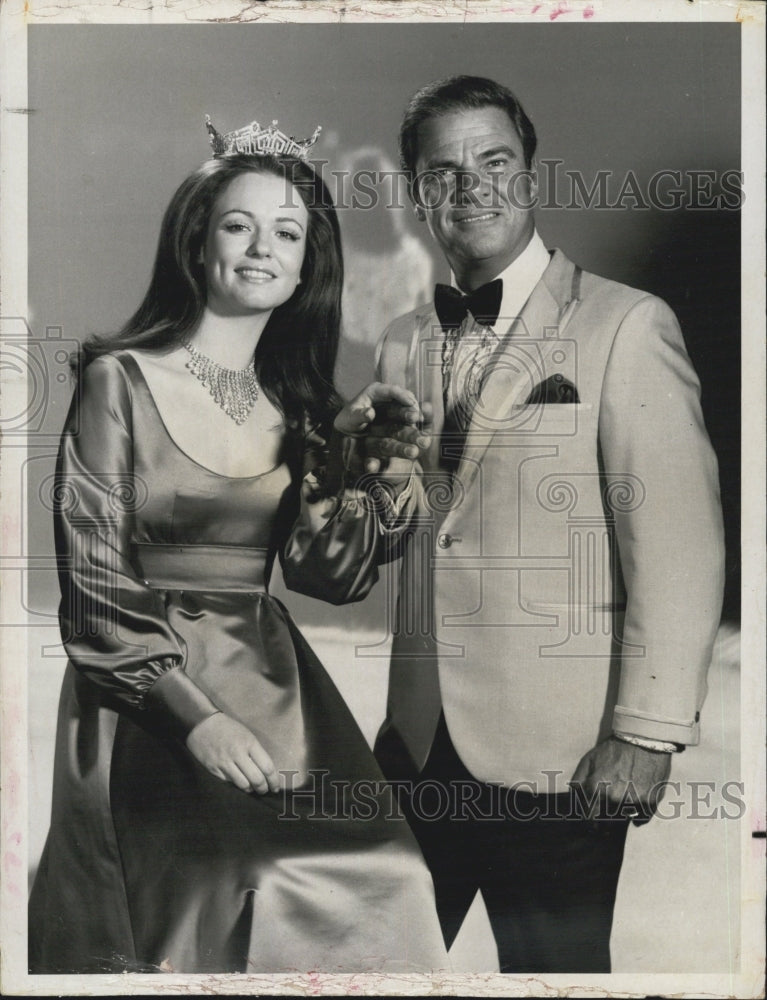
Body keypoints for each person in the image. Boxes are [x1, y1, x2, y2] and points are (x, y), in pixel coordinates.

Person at [28, 122, 448, 975]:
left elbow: (329, 576)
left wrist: (377, 474)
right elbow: (94, 578)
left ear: (305, 267)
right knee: (245, 882)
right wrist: (197, 720)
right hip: (145, 695)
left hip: (277, 690)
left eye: (286, 233)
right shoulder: (120, 378)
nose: (262, 249)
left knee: (390, 874)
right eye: (238, 225)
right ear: (197, 241)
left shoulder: (302, 411)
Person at [354, 76, 725, 973]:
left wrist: (644, 735)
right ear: (417, 193)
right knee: (368, 972)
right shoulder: (403, 337)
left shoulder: (626, 324)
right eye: (443, 172)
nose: (471, 188)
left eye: (494, 162)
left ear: (530, 175)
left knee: (554, 982)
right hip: (414, 742)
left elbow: (678, 546)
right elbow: (415, 532)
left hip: (563, 758)